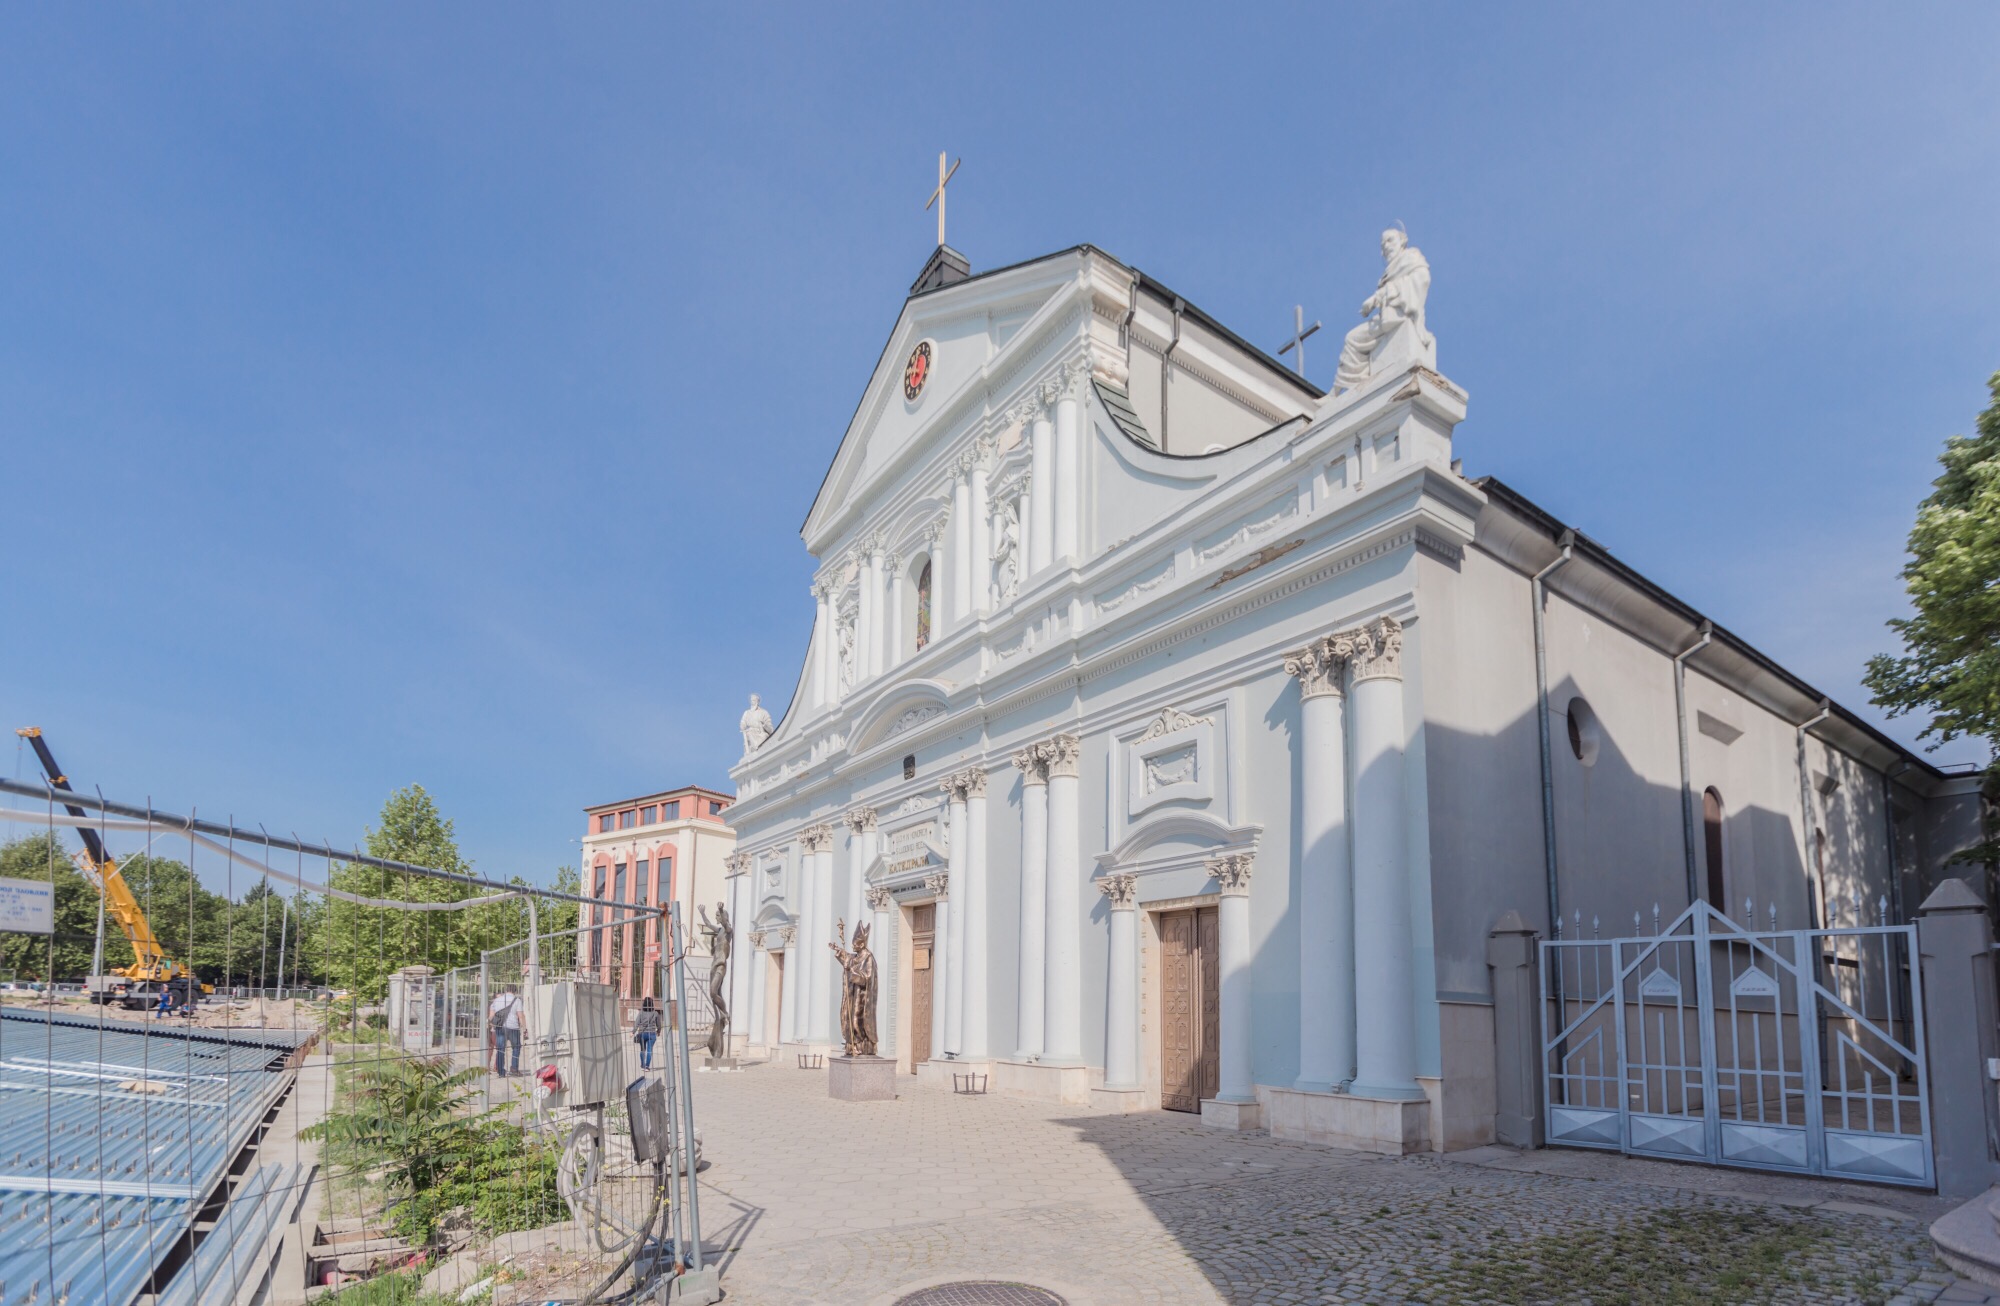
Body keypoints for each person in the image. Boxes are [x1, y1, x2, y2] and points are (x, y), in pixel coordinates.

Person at [488, 984, 524, 1077]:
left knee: (500, 1049)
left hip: (500, 1027)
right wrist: (524, 1028)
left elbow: (491, 1016)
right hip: (513, 1028)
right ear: (515, 991)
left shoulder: (496, 1000)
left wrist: (491, 1026)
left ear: (505, 990)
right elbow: (520, 1016)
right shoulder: (517, 1000)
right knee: (516, 1048)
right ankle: (514, 1068)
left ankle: (501, 1072)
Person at [633, 997, 662, 1070]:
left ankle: (642, 1065)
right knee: (649, 1050)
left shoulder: (641, 1013)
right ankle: (647, 1066)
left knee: (642, 1050)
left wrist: (633, 1032)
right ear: (652, 1004)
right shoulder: (655, 1013)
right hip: (652, 1034)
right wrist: (658, 1031)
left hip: (642, 1033)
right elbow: (659, 1024)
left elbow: (637, 1023)